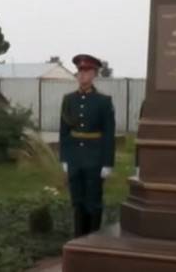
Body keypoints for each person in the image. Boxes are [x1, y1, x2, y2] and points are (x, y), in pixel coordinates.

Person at [59, 54, 116, 237]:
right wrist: (64, 158)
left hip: (95, 158)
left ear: (94, 74)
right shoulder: (69, 100)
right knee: (77, 201)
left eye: (86, 71)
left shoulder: (103, 101)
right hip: (75, 158)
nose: (82, 75)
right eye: (80, 71)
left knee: (93, 201)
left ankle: (94, 240)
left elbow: (109, 134)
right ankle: (78, 239)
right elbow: (64, 131)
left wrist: (107, 163)